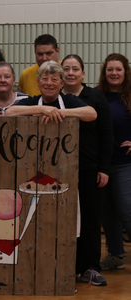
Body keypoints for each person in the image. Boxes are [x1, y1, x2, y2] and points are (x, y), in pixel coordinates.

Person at [61, 54, 113, 286]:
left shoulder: (95, 97)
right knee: (63, 220)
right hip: (60, 171)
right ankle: (63, 266)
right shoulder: (55, 98)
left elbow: (106, 134)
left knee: (91, 220)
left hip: (90, 169)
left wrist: (104, 168)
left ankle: (90, 267)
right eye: (66, 69)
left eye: (75, 69)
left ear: (83, 73)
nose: (70, 73)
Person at [98, 53, 131, 271]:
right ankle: (116, 255)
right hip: (102, 165)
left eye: (118, 69)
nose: (114, 73)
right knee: (107, 213)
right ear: (104, 72)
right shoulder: (98, 96)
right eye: (110, 69)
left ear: (126, 72)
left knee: (126, 210)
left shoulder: (130, 96)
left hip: (123, 164)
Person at [6, 60, 97, 123]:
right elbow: (9, 112)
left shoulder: (69, 100)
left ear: (62, 84)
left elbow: (91, 114)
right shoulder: (32, 101)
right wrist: (42, 109)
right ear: (38, 82)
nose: (49, 83)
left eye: (54, 79)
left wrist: (57, 112)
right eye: (45, 79)